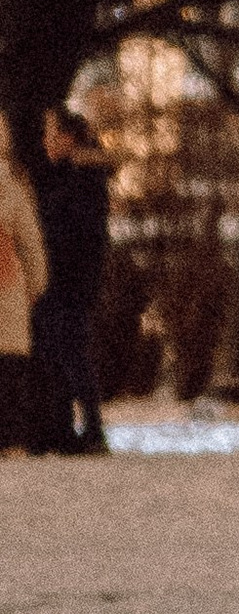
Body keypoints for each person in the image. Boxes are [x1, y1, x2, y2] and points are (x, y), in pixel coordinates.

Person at [32, 105, 114, 453]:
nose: (45, 141)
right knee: (60, 350)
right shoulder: (70, 175)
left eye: (51, 134)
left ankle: (89, 426)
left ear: (67, 138)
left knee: (69, 350)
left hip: (69, 281)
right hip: (68, 279)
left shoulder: (81, 178)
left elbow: (73, 233)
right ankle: (65, 426)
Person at [0, 106, 50, 456]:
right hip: (8, 283)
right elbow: (31, 242)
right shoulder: (13, 182)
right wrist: (35, 286)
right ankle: (13, 441)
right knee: (11, 369)